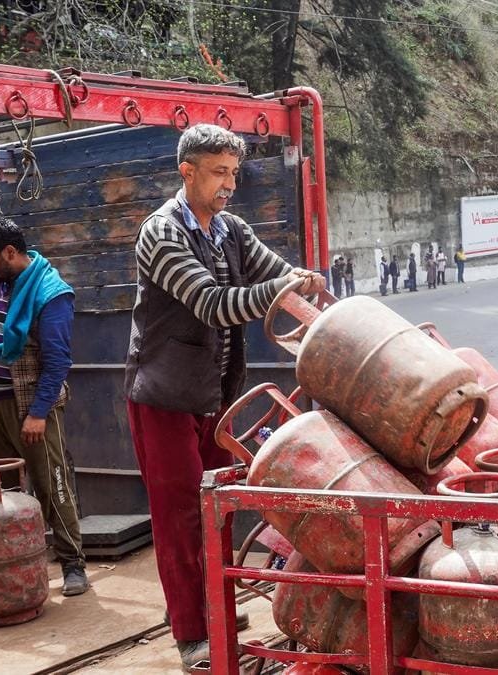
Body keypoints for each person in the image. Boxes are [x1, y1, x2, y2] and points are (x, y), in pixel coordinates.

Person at [122, 124, 325, 671]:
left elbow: (276, 273)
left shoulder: (230, 229)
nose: (229, 184)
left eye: (233, 173)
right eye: (218, 173)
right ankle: (193, 634)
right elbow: (211, 304)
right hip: (164, 397)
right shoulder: (160, 232)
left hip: (213, 396)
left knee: (217, 510)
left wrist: (305, 283)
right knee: (181, 518)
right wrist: (283, 289)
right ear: (187, 172)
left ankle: (213, 607)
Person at [0, 216, 89, 598]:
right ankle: (21, 561)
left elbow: (58, 362)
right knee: (4, 493)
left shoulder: (51, 293)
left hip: (31, 410)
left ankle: (73, 565)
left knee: (52, 488)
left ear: (10, 252)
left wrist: (39, 413)